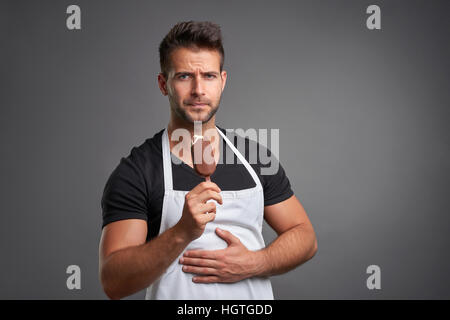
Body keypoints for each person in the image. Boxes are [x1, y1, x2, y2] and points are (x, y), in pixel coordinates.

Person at [99, 21, 317, 300]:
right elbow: (113, 281)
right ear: (163, 84)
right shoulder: (137, 171)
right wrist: (182, 232)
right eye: (184, 76)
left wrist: (256, 262)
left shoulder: (255, 159)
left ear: (223, 81)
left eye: (209, 76)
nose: (199, 89)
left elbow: (305, 237)